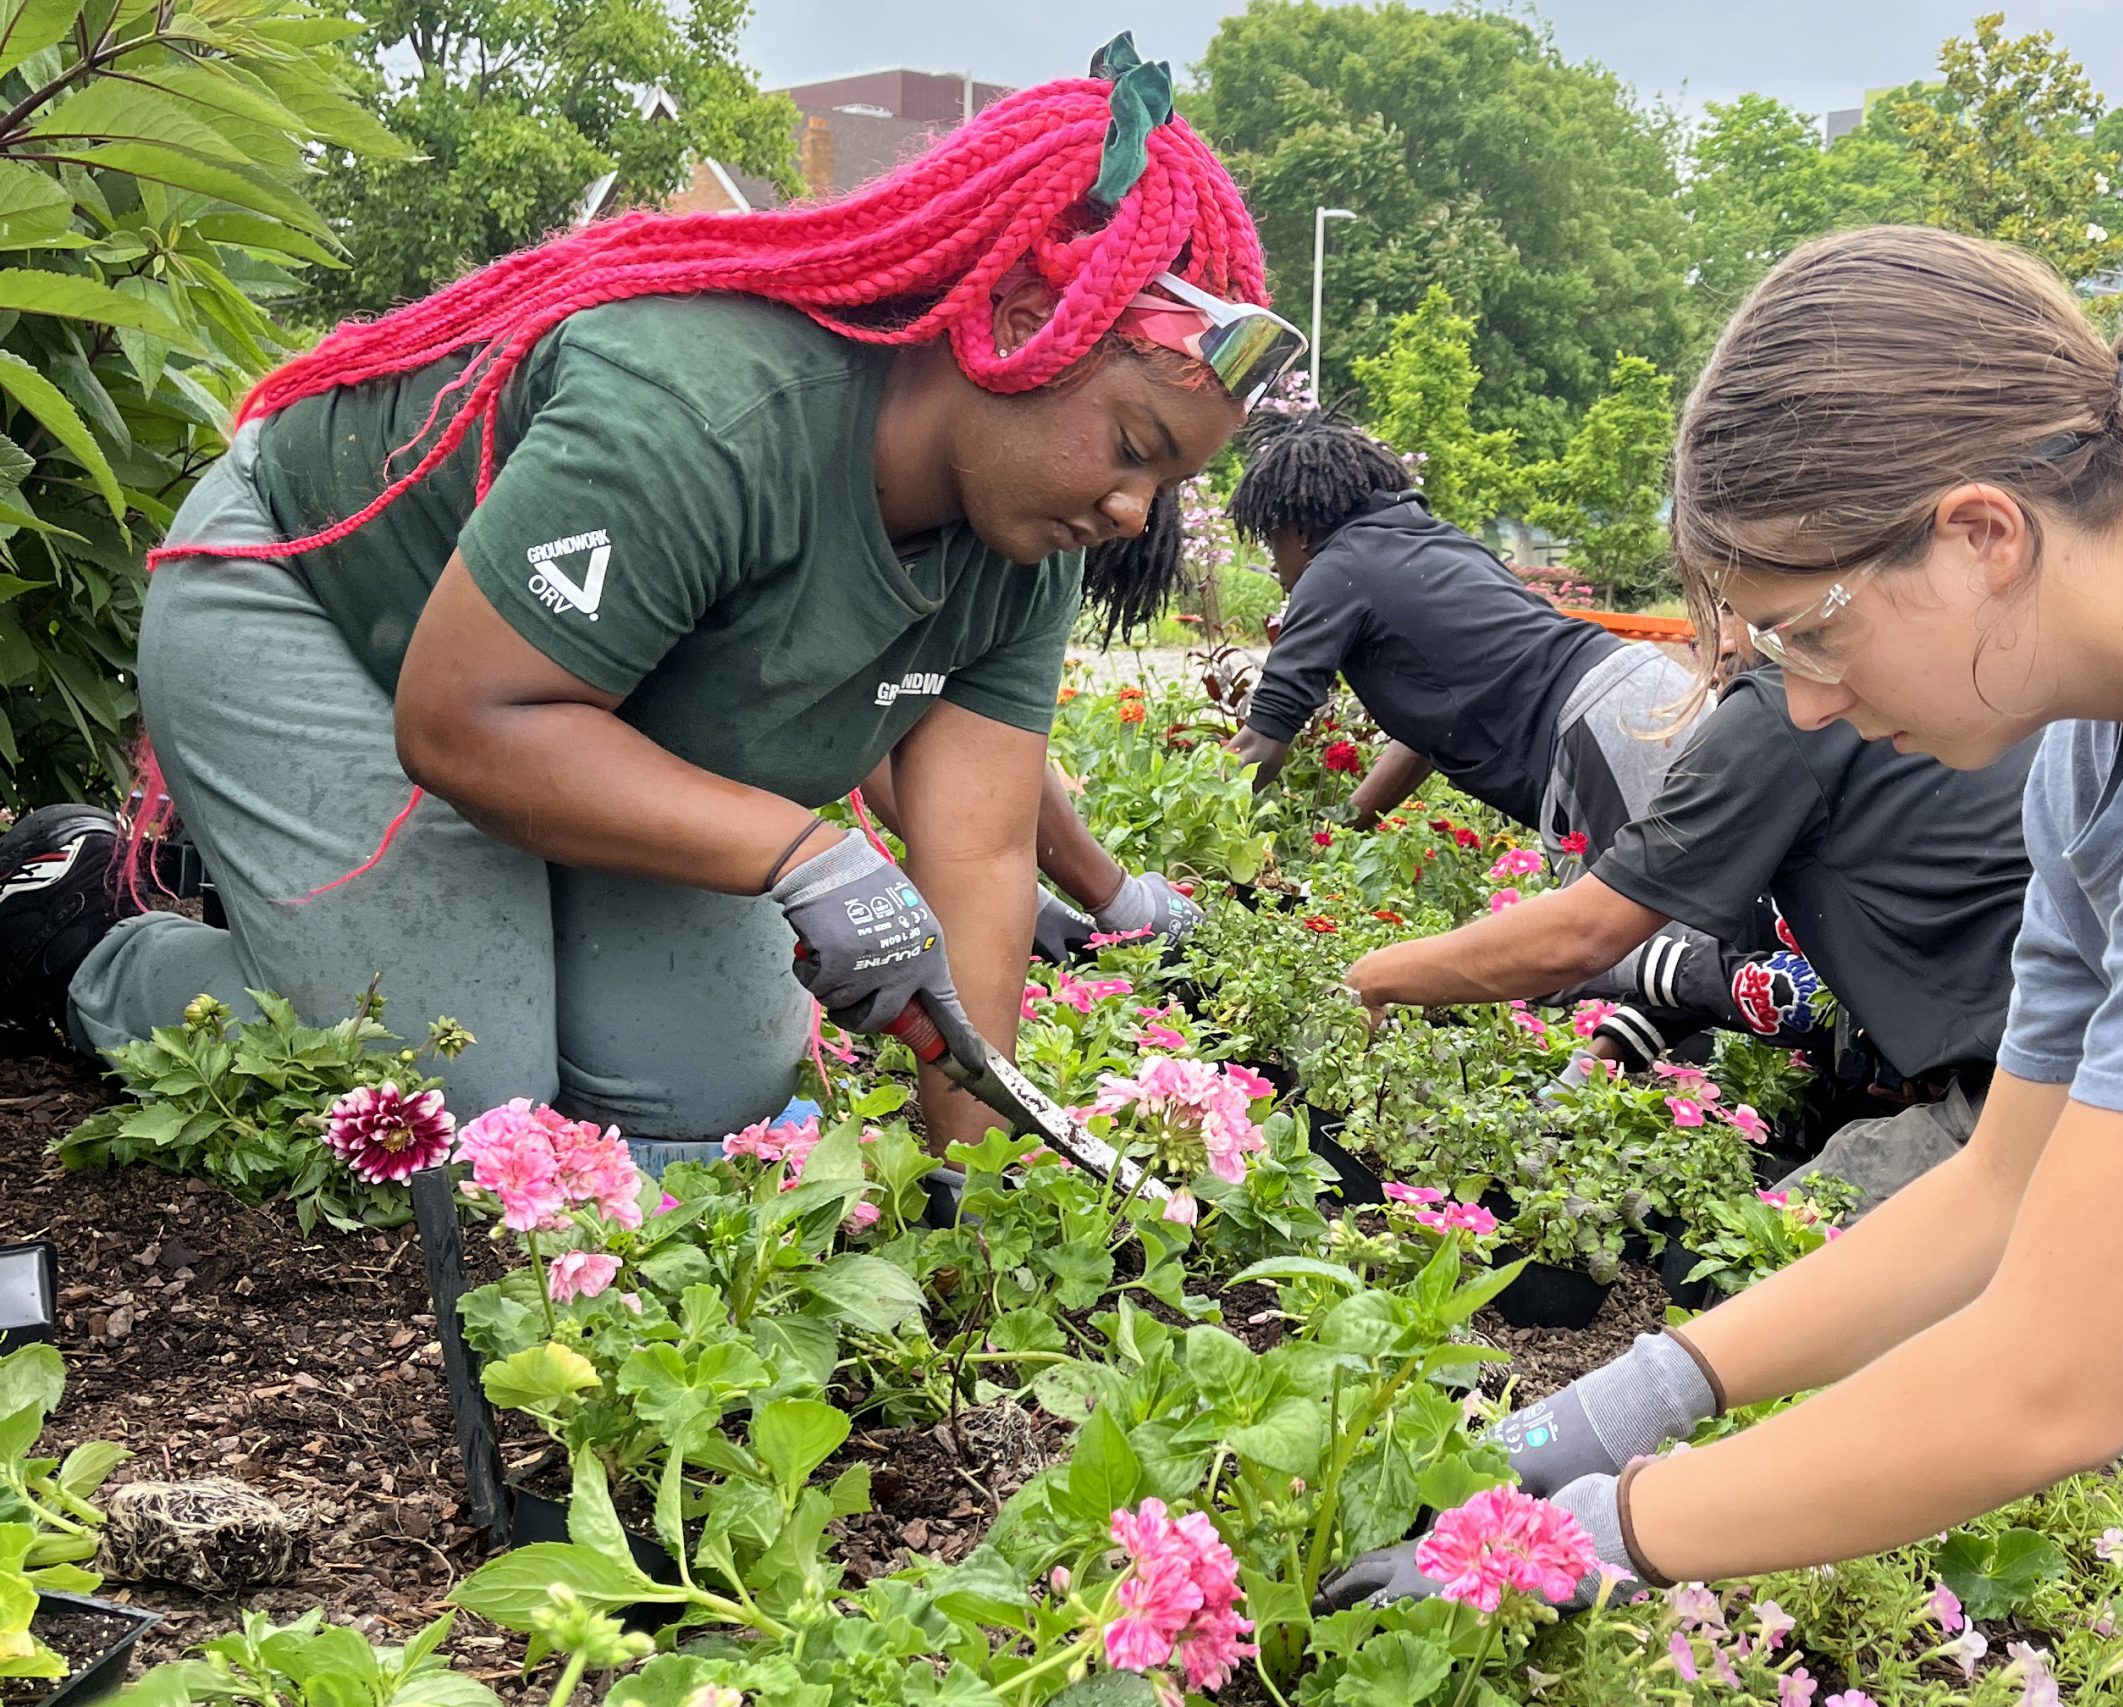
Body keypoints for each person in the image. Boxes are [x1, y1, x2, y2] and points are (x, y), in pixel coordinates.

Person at [1324, 223, 2123, 1612]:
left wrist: (1605, 1529)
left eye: (1810, 629)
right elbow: (1999, 1187)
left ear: (1980, 533)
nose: (1803, 701)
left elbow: (2057, 1374)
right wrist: (1629, 1399)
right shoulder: (2105, 740)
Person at [0, 39, 1290, 1154]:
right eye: (1131, 450)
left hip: (591, 710)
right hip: (324, 608)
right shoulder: (704, 412)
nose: (1130, 514)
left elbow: (983, 852)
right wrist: (798, 848)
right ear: (1014, 318)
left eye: (1164, 486)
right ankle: (75, 924)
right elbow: (469, 726)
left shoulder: (1027, 539)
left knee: (708, 1098)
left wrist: (974, 1181)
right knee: (447, 1094)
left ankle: (349, 908)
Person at [1343, 656, 2035, 1210]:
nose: (1721, 654)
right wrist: (1584, 1074)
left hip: (2030, 1090)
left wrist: (1375, 975)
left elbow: (1588, 935)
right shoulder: (1943, 678)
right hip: (2034, 1058)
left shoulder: (1792, 708)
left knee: (1770, 1272)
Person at [1220, 413, 1696, 876]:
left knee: (1644, 936)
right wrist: (1333, 835)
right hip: (1654, 691)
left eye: (1271, 540)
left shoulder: (1335, 568)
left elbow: (1263, 741)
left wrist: (1200, 832)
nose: (1274, 564)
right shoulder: (1435, 541)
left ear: (1301, 534)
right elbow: (1423, 742)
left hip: (1598, 728)